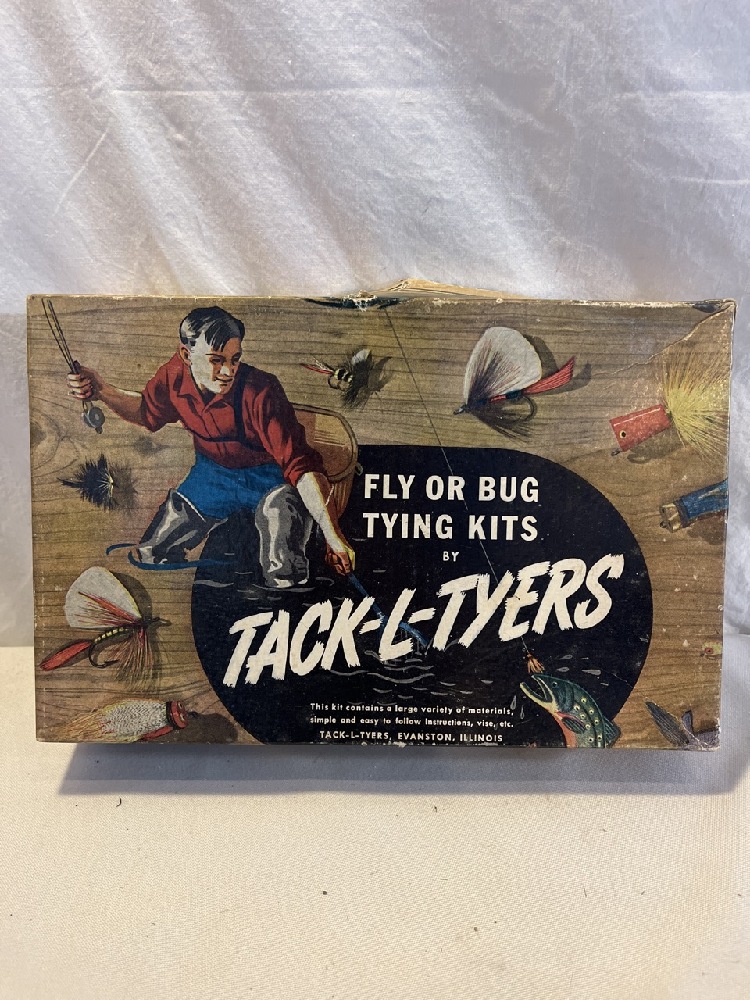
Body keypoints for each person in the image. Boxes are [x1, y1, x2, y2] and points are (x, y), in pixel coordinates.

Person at [67, 306, 355, 587]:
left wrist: (334, 538)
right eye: (217, 360)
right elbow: (146, 411)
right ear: (186, 355)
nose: (228, 371)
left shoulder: (261, 390)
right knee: (154, 553)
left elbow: (301, 467)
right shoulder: (173, 376)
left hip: (270, 479)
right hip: (212, 475)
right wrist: (101, 390)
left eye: (234, 359)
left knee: (284, 567)